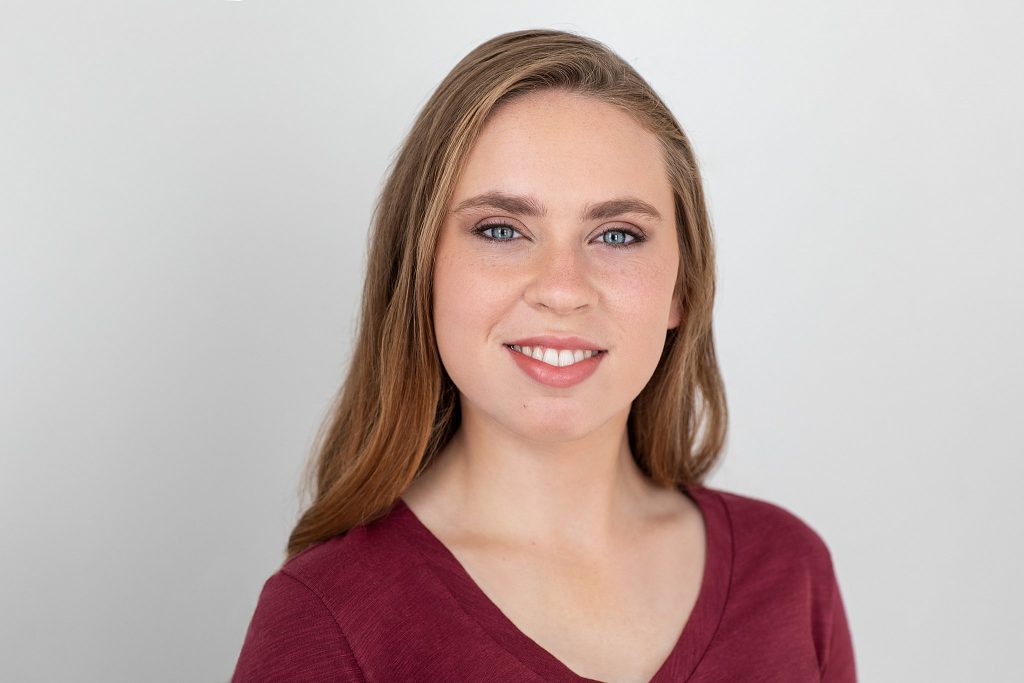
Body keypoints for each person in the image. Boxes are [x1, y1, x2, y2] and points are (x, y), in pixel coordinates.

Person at [231, 29, 856, 682]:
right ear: (422, 271)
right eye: (502, 229)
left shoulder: (789, 573)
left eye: (617, 234)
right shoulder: (328, 614)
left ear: (682, 286)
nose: (562, 288)